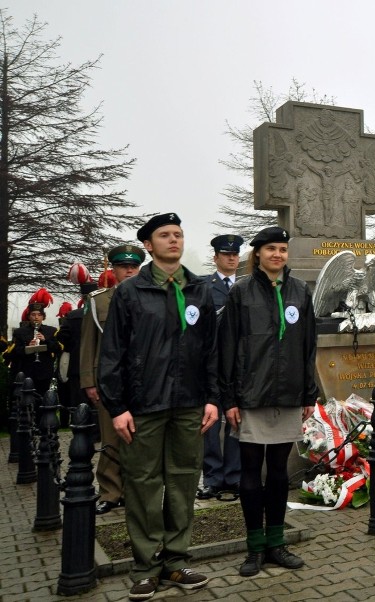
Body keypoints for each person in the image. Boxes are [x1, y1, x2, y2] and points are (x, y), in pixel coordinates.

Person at [98, 214, 219, 600]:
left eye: (178, 234)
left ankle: (176, 561)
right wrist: (117, 406)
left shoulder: (199, 289)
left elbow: (211, 351)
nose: (173, 240)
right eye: (164, 235)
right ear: (148, 245)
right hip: (143, 405)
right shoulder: (130, 293)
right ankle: (146, 567)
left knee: (183, 483)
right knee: (144, 486)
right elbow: (113, 352)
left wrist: (213, 398)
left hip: (189, 405)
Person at [218, 226, 318, 577]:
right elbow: (227, 346)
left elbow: (308, 347)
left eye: (282, 249)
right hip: (250, 395)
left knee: (278, 474)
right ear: (257, 253)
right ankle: (254, 547)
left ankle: (277, 543)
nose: (278, 254)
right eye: (271, 249)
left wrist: (309, 393)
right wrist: (229, 397)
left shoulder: (299, 290)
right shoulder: (241, 292)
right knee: (250, 473)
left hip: (288, 395)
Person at [79, 244, 143, 515]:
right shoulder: (99, 300)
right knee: (110, 437)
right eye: (122, 266)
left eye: (133, 266)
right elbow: (88, 343)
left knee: (141, 439)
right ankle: (110, 491)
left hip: (143, 381)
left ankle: (136, 491)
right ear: (114, 269)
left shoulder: (150, 297)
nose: (129, 270)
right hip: (109, 380)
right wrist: (89, 381)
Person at [198, 234, 244, 501]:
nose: (231, 258)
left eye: (235, 254)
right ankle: (213, 477)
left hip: (238, 364)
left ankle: (234, 476)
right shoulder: (205, 286)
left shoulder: (248, 286)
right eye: (225, 254)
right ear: (216, 257)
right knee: (212, 421)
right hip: (212, 362)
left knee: (236, 421)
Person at [55, 282, 98, 428]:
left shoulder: (72, 316)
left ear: (82, 297)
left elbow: (62, 338)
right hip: (97, 364)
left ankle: (79, 430)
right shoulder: (104, 312)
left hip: (77, 366)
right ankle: (96, 431)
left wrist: (72, 346)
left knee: (78, 403)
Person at [8, 292, 61, 401]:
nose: (36, 318)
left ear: (43, 317)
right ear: (29, 316)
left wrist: (45, 341)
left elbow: (57, 348)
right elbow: (13, 352)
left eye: (39, 315)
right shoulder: (20, 332)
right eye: (33, 315)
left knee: (43, 402)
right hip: (27, 372)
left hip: (44, 373)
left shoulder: (51, 331)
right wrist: (28, 347)